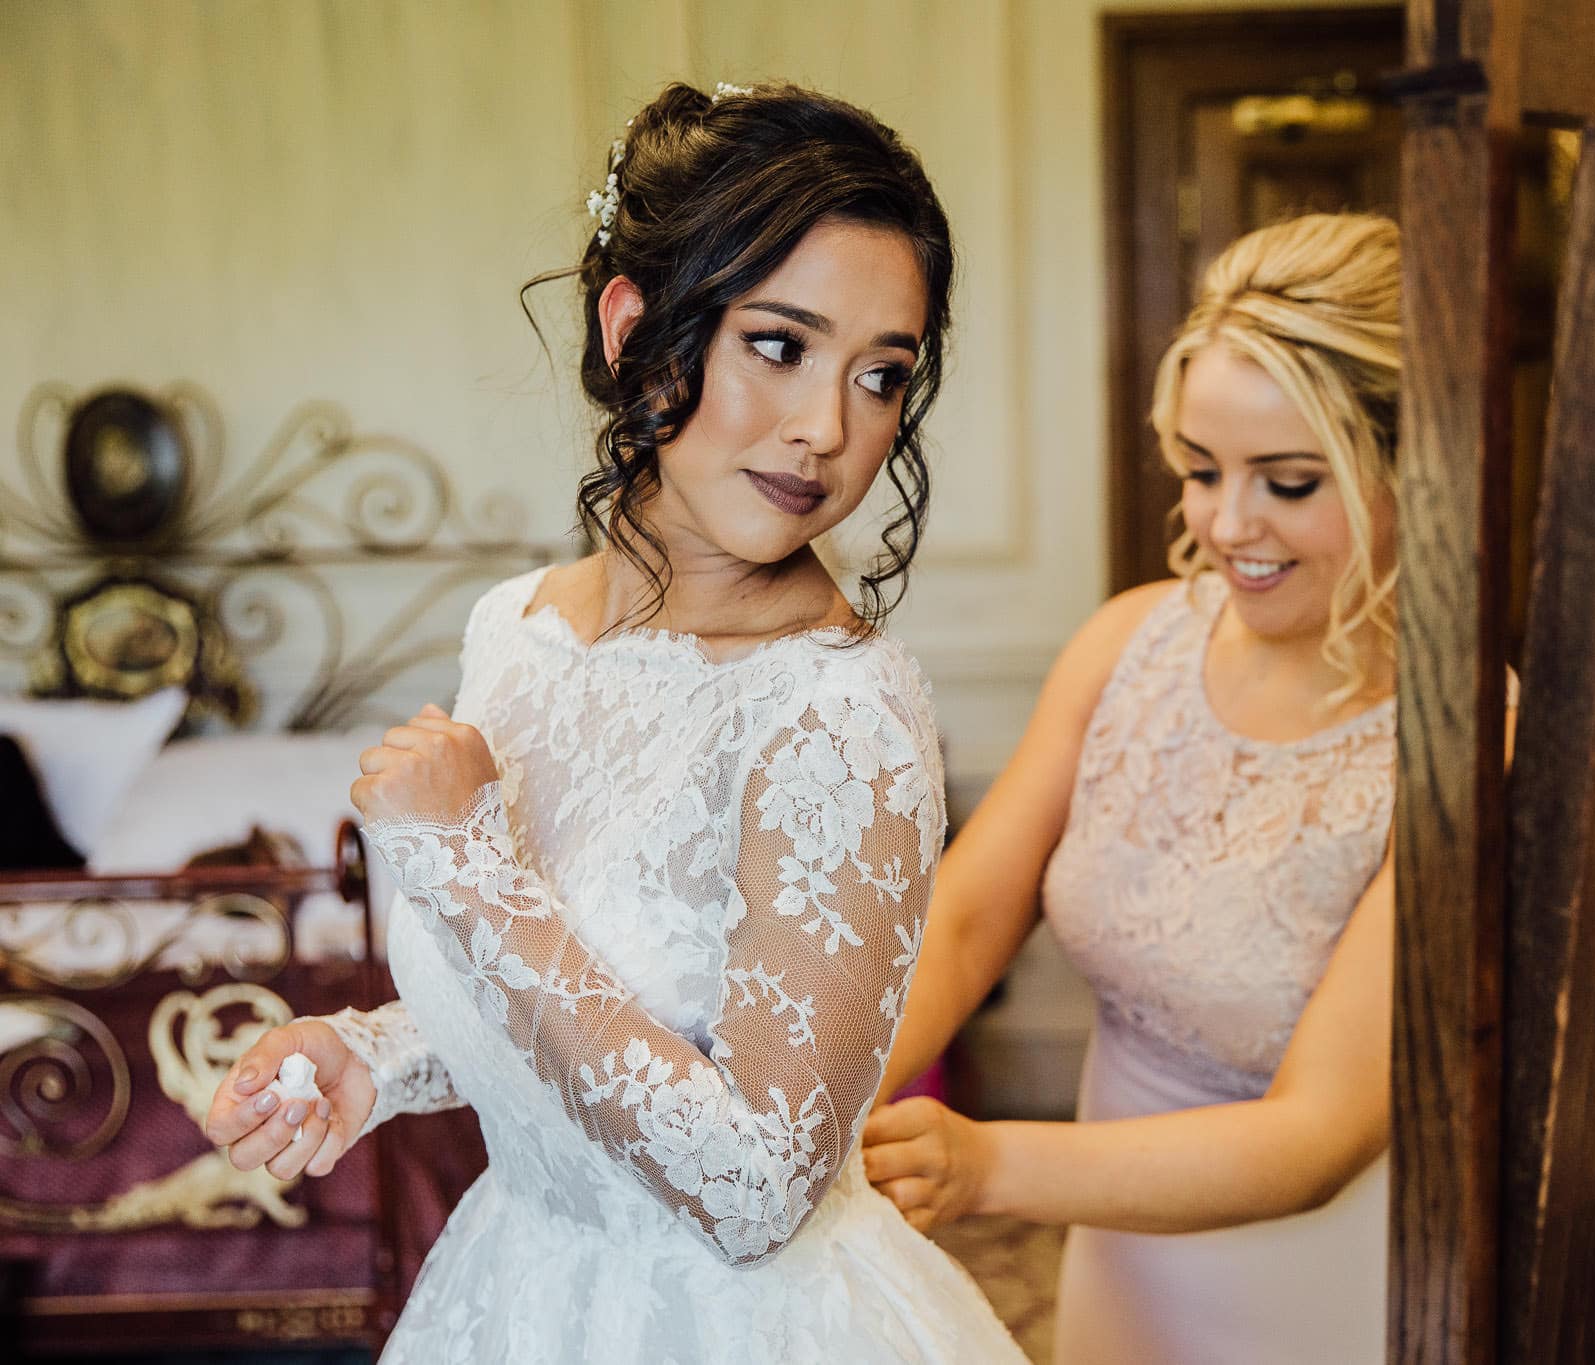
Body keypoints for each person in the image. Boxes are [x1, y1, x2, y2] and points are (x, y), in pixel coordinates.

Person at [199, 81, 1023, 1363]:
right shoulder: (514, 628)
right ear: (634, 326)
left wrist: (471, 869)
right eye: (779, 344)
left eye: (881, 376)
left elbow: (755, 1191)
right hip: (520, 1288)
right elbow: (585, 1012)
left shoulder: (840, 709)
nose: (829, 431)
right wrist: (381, 1059)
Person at [863, 212, 1413, 1363]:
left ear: (1417, 466)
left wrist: (987, 1162)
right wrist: (833, 1090)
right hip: (1118, 1249)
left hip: (1317, 1274)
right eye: (1202, 471)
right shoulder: (1127, 645)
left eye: (1289, 481)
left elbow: (1314, 1138)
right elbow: (968, 913)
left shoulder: (1468, 750)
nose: (1226, 525)